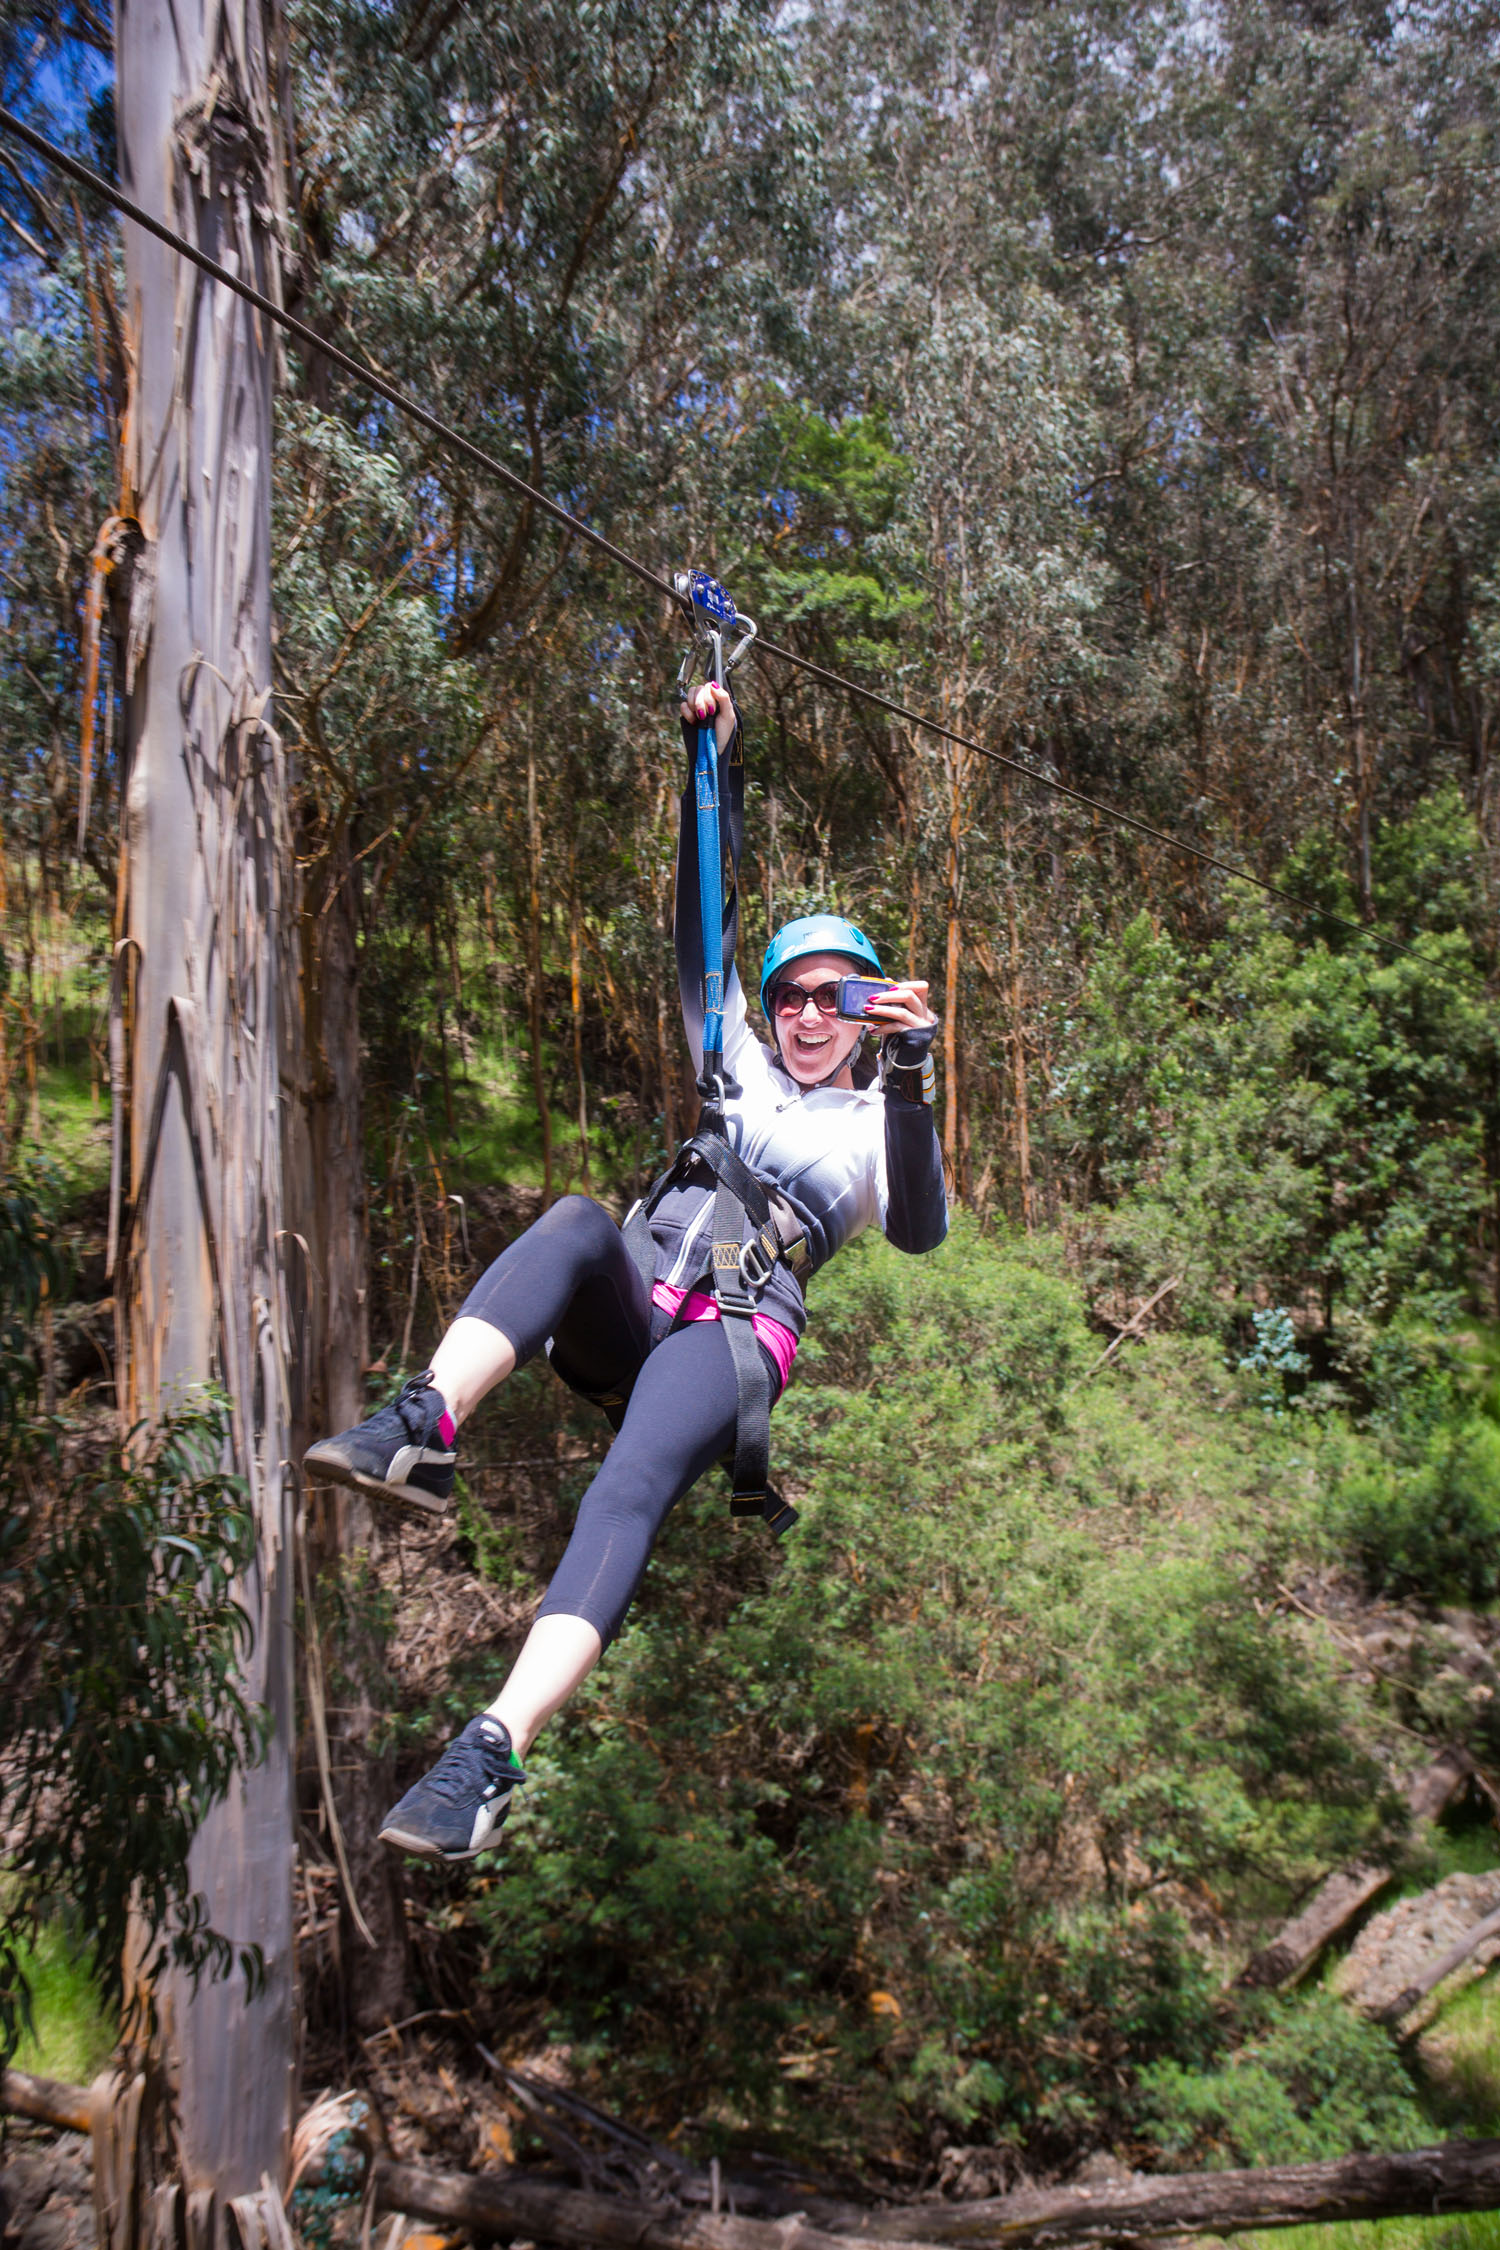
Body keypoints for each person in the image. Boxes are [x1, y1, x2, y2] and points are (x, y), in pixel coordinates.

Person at [304, 679, 948, 1861]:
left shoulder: (873, 1120)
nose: (810, 1016)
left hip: (735, 1335)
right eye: (793, 995)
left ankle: (490, 1751)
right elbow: (699, 920)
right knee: (571, 1220)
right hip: (634, 1298)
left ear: (869, 1013)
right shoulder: (736, 1058)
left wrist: (911, 1076)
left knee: (629, 1491)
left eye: (838, 998)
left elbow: (917, 1234)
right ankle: (426, 1420)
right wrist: (708, 762)